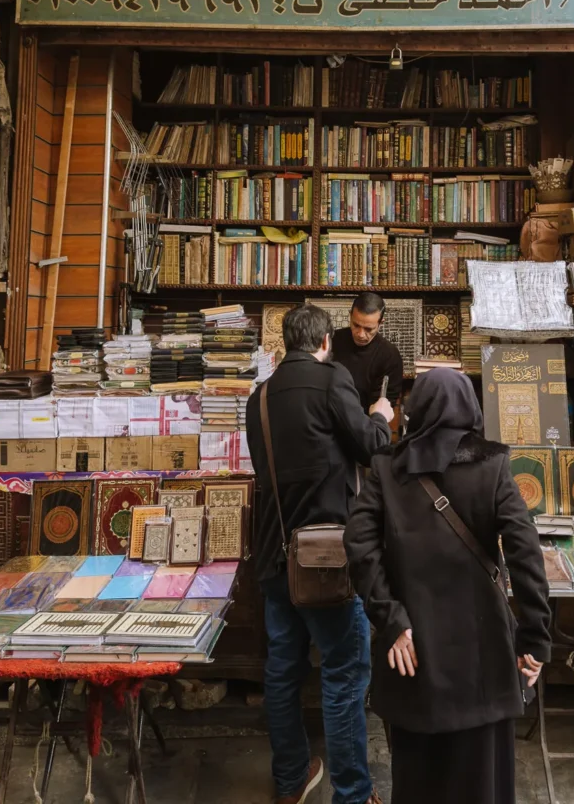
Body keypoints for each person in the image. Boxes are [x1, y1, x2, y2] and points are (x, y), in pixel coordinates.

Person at [344, 368, 551, 804]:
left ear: (415, 410)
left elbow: (359, 545)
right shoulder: (492, 465)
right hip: (484, 656)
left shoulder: (387, 467)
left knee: (418, 778)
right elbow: (525, 551)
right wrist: (534, 638)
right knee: (482, 782)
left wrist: (391, 618)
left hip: (413, 654)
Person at [246, 304, 394, 804]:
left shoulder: (259, 397)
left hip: (273, 554)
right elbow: (371, 448)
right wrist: (380, 415)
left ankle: (291, 781)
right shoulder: (333, 381)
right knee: (345, 671)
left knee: (283, 671)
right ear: (326, 341)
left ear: (285, 344)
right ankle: (352, 793)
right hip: (326, 558)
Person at [332, 293, 404, 412]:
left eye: (368, 329)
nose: (360, 334)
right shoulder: (331, 342)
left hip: (366, 423)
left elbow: (384, 405)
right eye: (356, 325)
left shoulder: (389, 356)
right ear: (350, 316)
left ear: (380, 323)